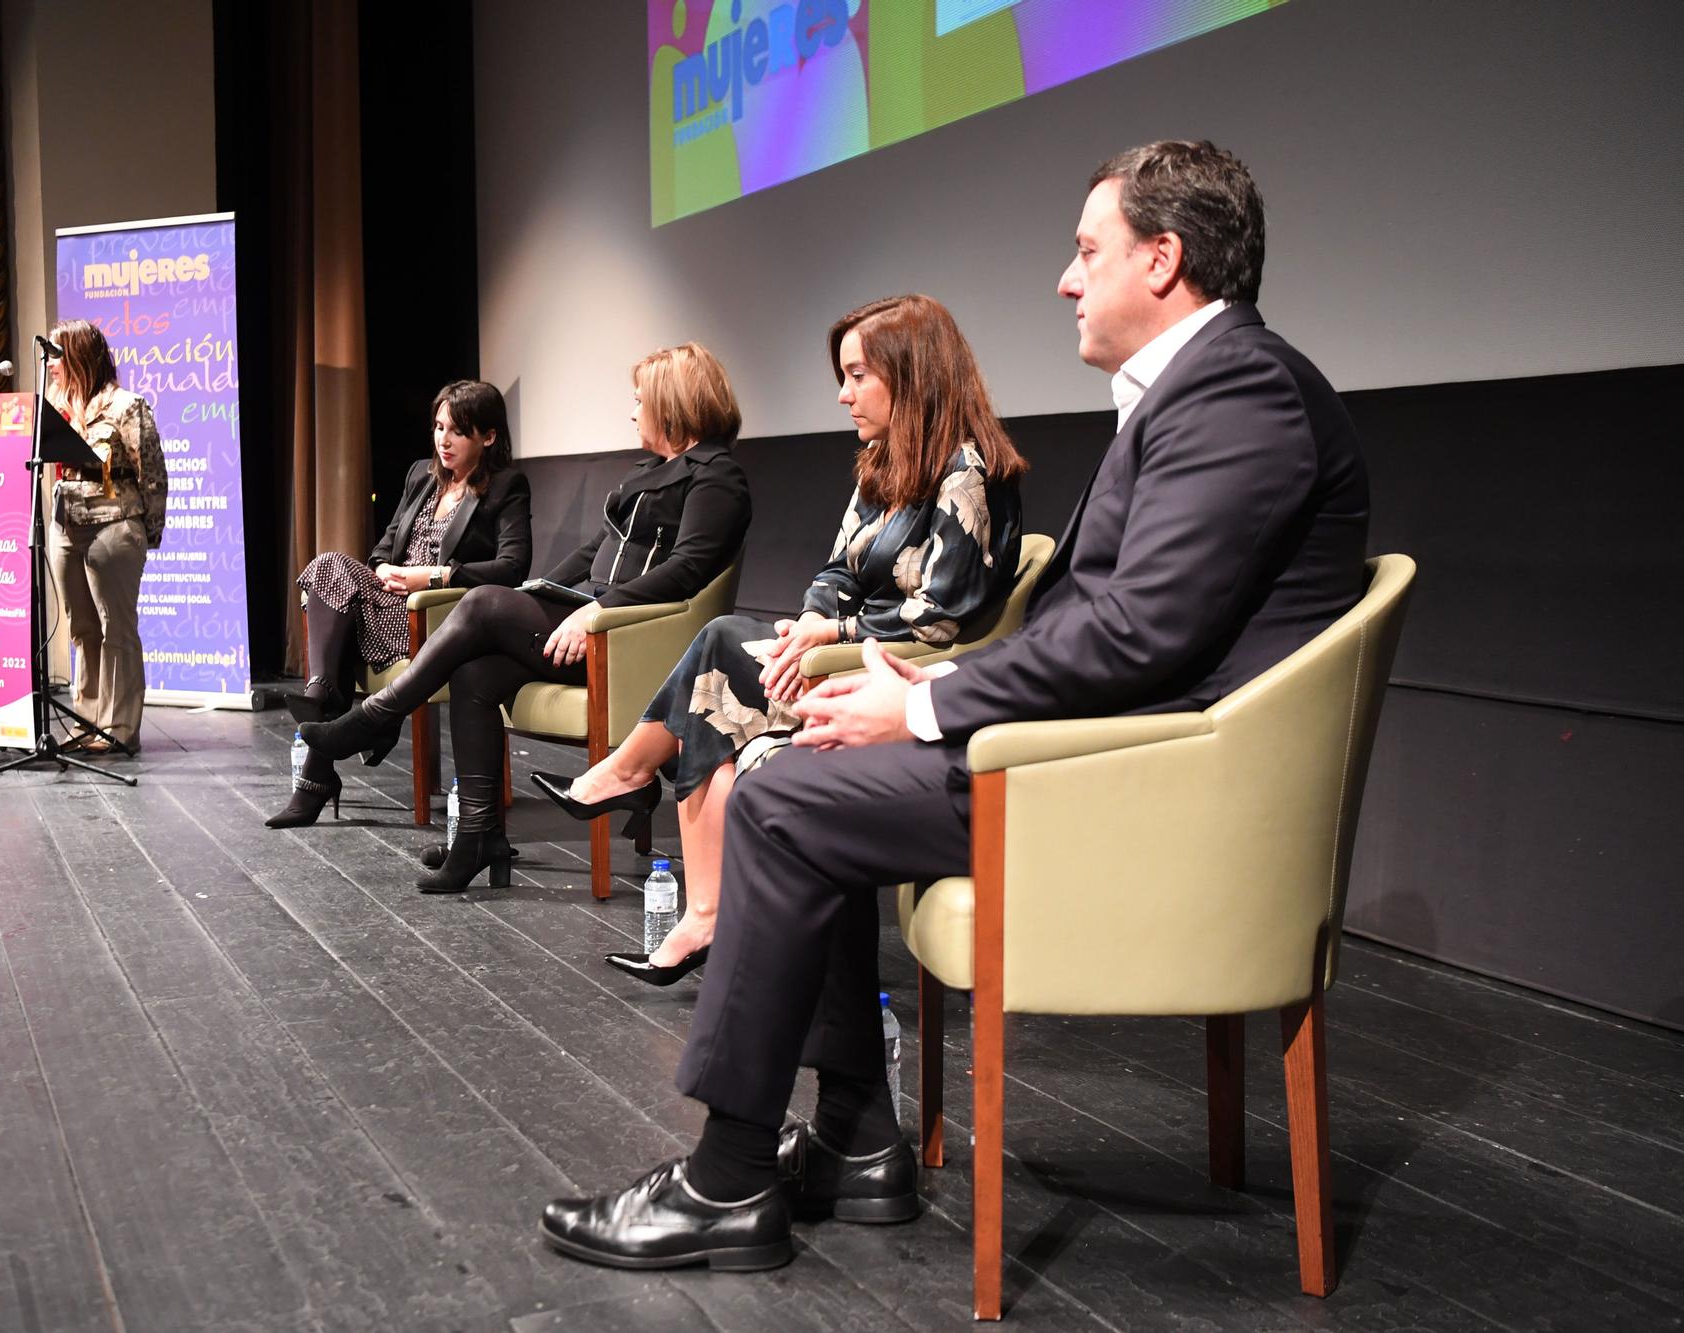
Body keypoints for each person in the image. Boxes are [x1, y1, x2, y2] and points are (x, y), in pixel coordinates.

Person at [539, 140, 1371, 1272]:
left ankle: (730, 1181)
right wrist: (929, 684)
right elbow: (1115, 624)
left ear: (1164, 260)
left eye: (1087, 251)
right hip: (1113, 755)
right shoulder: (1206, 391)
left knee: (783, 798)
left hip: (1150, 791)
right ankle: (853, 1143)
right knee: (798, 775)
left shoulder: (1238, 392)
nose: (1066, 279)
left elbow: (1142, 635)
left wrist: (927, 711)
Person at [532, 294, 1026, 986]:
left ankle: (636, 785)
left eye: (858, 376)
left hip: (893, 674)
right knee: (717, 675)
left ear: (911, 375)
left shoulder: (970, 473)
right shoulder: (882, 466)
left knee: (720, 647)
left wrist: (835, 631)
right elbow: (834, 571)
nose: (842, 393)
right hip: (841, 650)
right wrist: (814, 620)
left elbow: (939, 616)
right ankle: (687, 885)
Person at [296, 342, 753, 895]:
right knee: (475, 674)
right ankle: (479, 836)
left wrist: (595, 613)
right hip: (598, 623)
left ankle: (375, 716)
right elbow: (591, 552)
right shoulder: (650, 472)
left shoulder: (717, 476)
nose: (633, 412)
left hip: (631, 640)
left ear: (673, 405)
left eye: (640, 401)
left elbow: (686, 570)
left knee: (485, 599)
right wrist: (544, 592)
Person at [269, 380, 531, 828]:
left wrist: (429, 577)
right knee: (330, 564)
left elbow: (513, 567)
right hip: (389, 600)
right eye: (438, 427)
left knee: (338, 619)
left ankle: (317, 766)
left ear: (488, 437)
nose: (443, 441)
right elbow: (384, 548)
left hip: (441, 615)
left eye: (458, 432)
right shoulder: (421, 476)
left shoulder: (506, 486)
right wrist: (385, 571)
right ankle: (323, 695)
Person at [44, 319, 168, 756]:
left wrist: (147, 533)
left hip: (114, 525)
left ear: (80, 355)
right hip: (66, 527)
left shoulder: (126, 405)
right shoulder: (54, 406)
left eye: (59, 355)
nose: (52, 365)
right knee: (82, 628)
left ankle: (118, 730)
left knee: (115, 627)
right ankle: (86, 722)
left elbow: (152, 473)